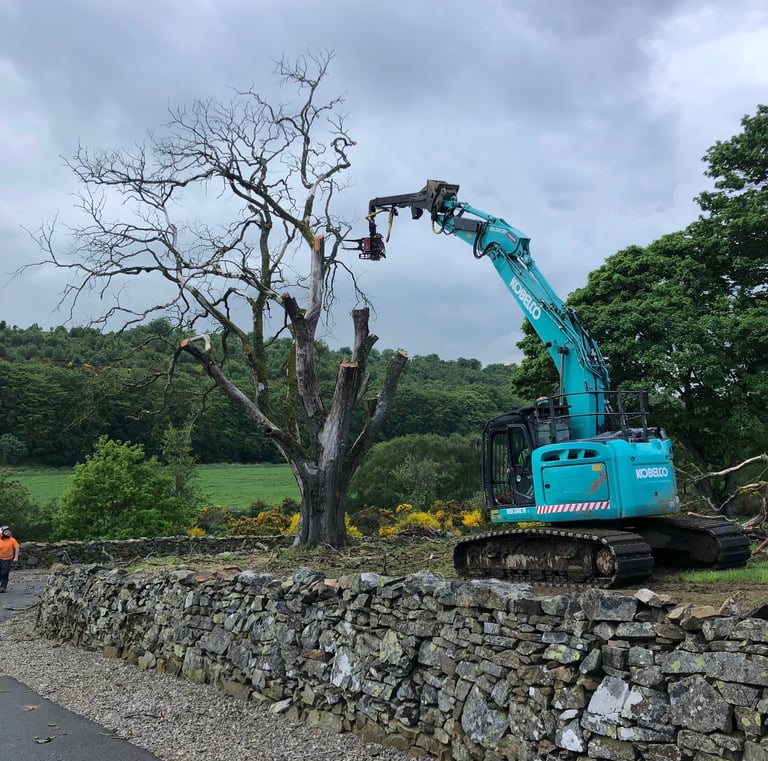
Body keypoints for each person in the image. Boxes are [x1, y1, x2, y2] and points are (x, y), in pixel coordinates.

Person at [0, 526, 20, 592]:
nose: (8, 533)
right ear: (2, 533)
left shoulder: (12, 540)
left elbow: (17, 548)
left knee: (4, 572)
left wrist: (16, 557)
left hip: (7, 559)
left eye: (8, 531)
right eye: (5, 532)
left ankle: (3, 587)